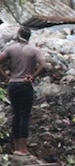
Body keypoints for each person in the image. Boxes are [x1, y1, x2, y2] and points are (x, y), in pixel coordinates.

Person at [0, 28, 45, 156]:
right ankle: (23, 149)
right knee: (25, 115)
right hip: (26, 85)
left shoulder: (10, 49)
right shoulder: (34, 50)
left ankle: (15, 147)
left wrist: (6, 78)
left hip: (13, 85)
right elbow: (44, 65)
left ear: (19, 35)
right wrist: (33, 76)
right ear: (29, 37)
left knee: (16, 114)